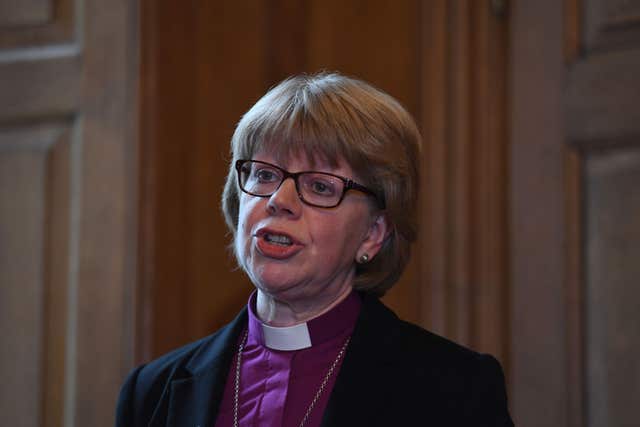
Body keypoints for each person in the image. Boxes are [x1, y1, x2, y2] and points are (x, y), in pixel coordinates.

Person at [115, 72, 514, 427]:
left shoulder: (455, 390)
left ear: (373, 234)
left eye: (320, 186)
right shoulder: (152, 391)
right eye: (265, 174)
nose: (279, 199)